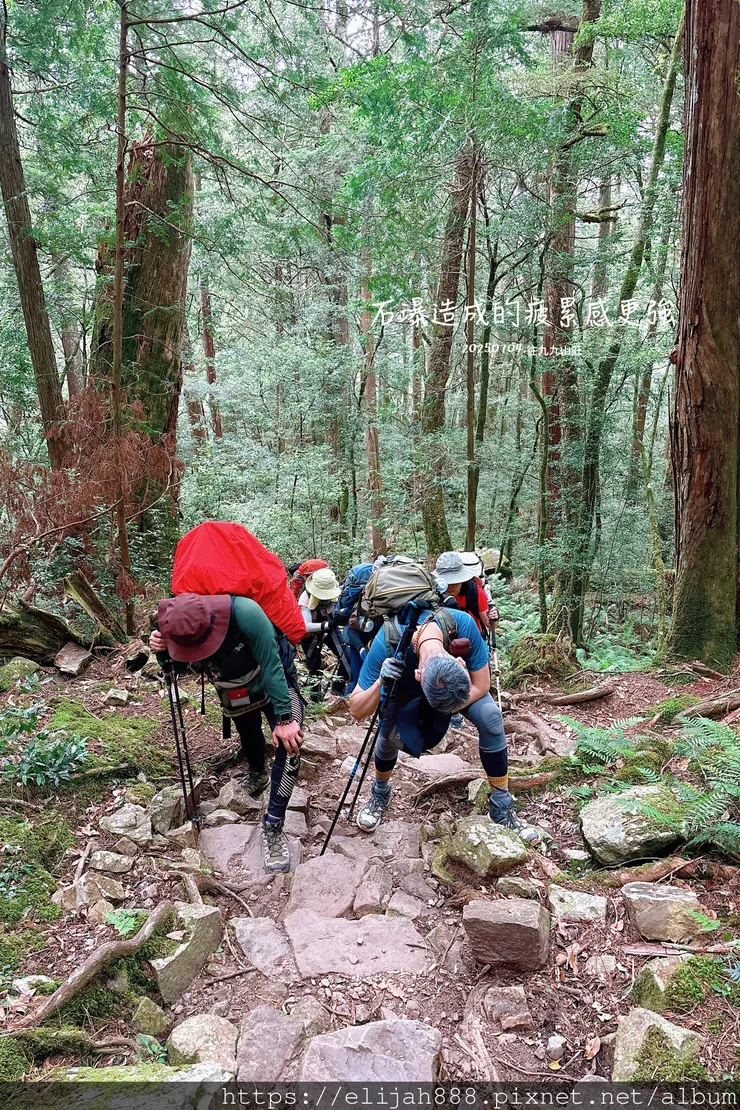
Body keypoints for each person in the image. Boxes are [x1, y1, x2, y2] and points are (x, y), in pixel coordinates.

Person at [348, 578, 539, 844]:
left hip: (451, 689)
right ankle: (380, 792)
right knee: (387, 732)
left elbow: (481, 685)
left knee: (491, 717)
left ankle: (502, 806)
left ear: (456, 660)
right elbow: (356, 709)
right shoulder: (388, 640)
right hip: (405, 689)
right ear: (418, 674)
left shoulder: (463, 625)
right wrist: (381, 680)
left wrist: (449, 707)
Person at [150, 593, 303, 874]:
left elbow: (272, 664)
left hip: (277, 681)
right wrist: (162, 651)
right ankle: (258, 774)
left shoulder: (246, 612)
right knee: (248, 731)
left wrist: (284, 718)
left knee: (290, 745)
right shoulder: (182, 624)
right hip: (233, 685)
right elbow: (178, 667)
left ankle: (273, 824)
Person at [297, 567, 348, 699]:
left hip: (331, 628)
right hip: (312, 634)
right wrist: (328, 624)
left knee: (346, 656)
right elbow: (306, 626)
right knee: (314, 665)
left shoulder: (337, 593)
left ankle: (338, 689)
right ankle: (315, 698)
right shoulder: (305, 598)